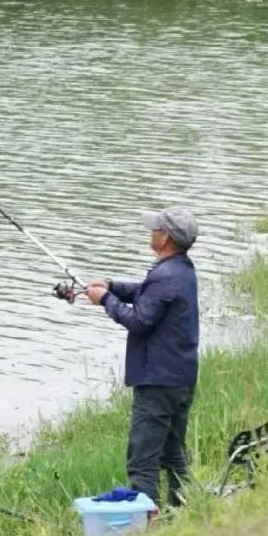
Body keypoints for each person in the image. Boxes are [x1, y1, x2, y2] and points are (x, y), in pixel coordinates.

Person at [84, 208, 199, 510]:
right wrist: (111, 285)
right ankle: (185, 506)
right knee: (173, 451)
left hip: (158, 382)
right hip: (180, 378)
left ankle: (147, 525)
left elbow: (139, 320)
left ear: (167, 238)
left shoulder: (165, 275)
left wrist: (105, 300)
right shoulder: (182, 270)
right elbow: (146, 294)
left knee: (142, 460)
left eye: (155, 229)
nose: (150, 232)